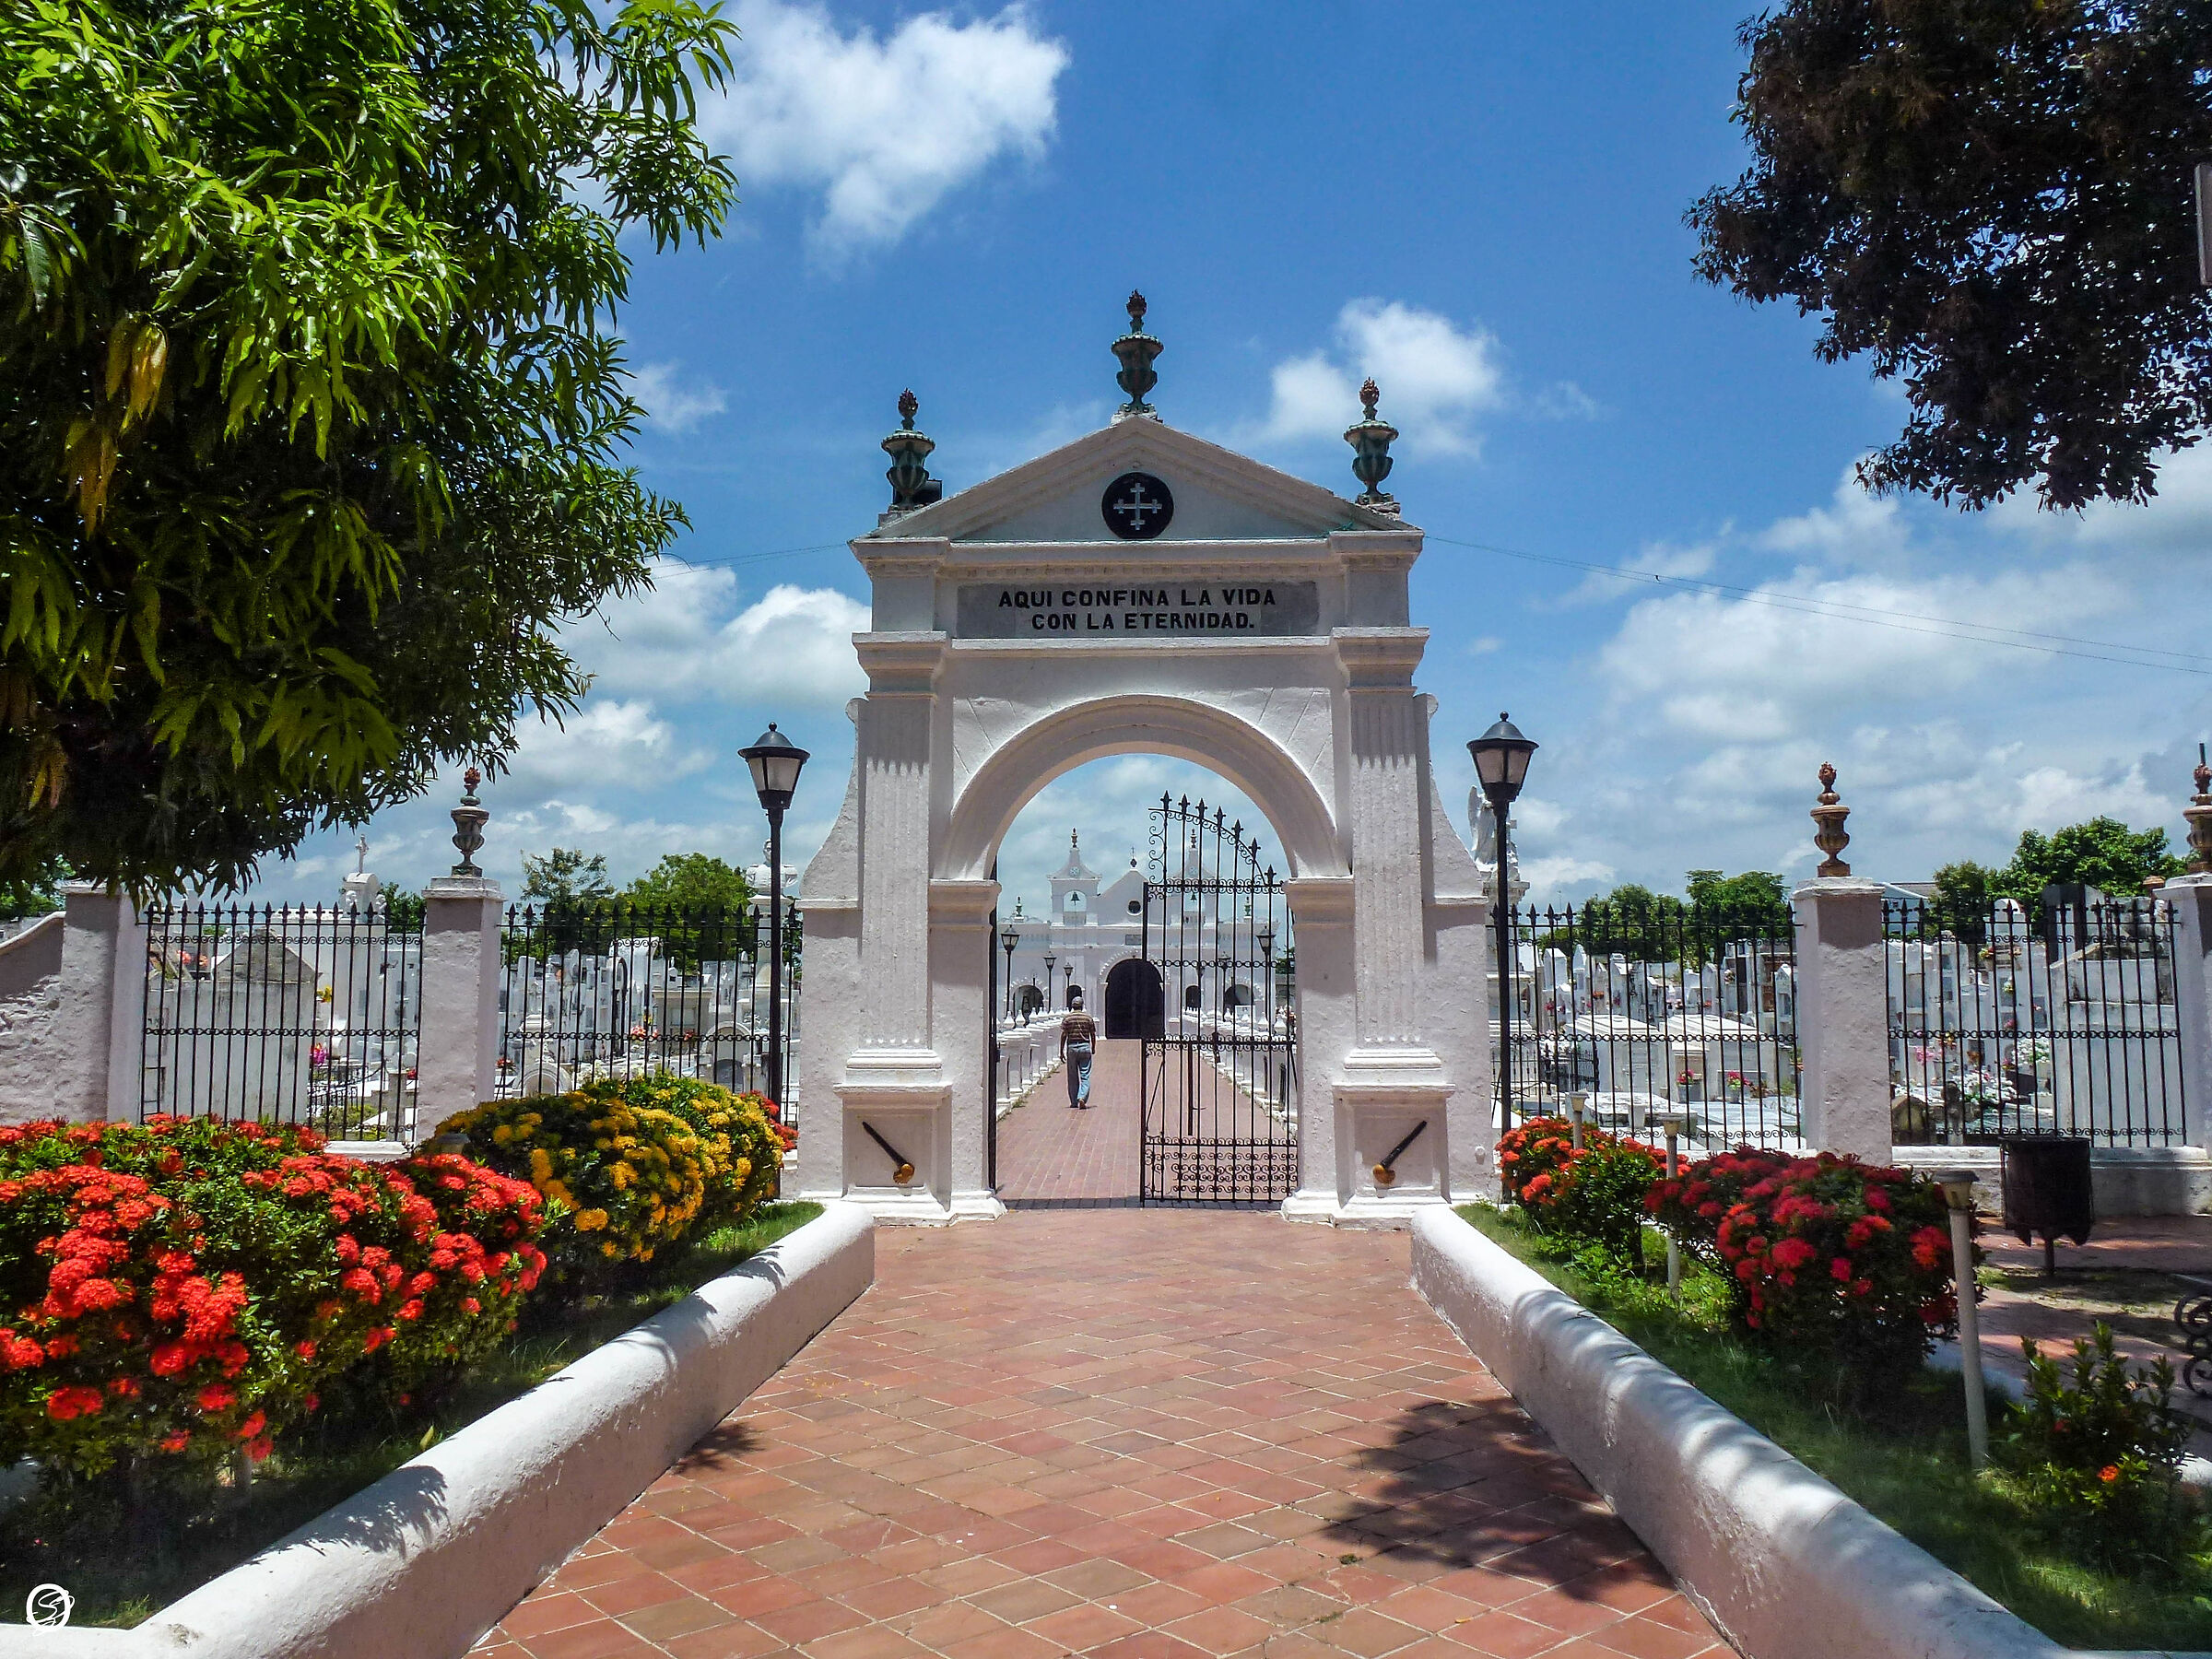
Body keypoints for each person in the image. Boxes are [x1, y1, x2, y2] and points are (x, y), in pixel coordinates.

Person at [1060, 989, 1097, 1109]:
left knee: (1072, 1076)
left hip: (1072, 1047)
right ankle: (1082, 1097)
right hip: (1085, 1046)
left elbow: (1064, 1034)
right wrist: (1093, 1047)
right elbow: (1092, 1034)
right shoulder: (1088, 1018)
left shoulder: (1068, 1018)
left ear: (1072, 1006)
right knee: (1085, 1075)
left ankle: (1074, 1101)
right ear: (1082, 1005)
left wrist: (1061, 1051)